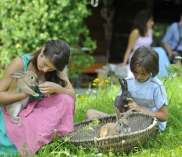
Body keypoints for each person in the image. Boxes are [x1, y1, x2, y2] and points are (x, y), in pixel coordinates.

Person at [0, 39, 76, 156]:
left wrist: (57, 88)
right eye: (45, 64)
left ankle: (44, 135)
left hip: (36, 110)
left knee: (66, 99)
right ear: (43, 50)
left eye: (50, 69)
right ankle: (40, 137)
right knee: (18, 129)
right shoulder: (20, 63)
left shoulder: (55, 67)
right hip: (15, 109)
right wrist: (23, 95)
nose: (45, 70)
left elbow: (72, 97)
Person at [86, 46, 168, 132]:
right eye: (135, 72)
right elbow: (120, 110)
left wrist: (140, 109)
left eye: (143, 74)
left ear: (152, 70)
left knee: (128, 128)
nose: (138, 76)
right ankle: (112, 132)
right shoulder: (128, 81)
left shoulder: (156, 86)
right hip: (129, 122)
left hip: (149, 125)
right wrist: (122, 109)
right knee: (90, 113)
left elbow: (164, 116)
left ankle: (113, 133)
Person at [117, 10, 154, 76]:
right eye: (150, 21)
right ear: (145, 21)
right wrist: (124, 62)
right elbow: (129, 48)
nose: (152, 23)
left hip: (147, 55)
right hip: (136, 56)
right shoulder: (136, 32)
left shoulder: (150, 31)